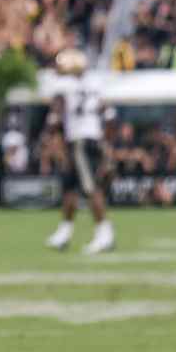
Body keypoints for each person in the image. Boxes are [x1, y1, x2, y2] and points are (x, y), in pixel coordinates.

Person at [45, 48, 114, 254]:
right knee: (70, 188)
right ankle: (64, 232)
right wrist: (105, 143)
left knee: (91, 188)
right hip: (91, 137)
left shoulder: (64, 85)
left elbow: (56, 115)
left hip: (79, 140)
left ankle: (104, 233)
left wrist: (52, 136)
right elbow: (109, 115)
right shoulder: (94, 83)